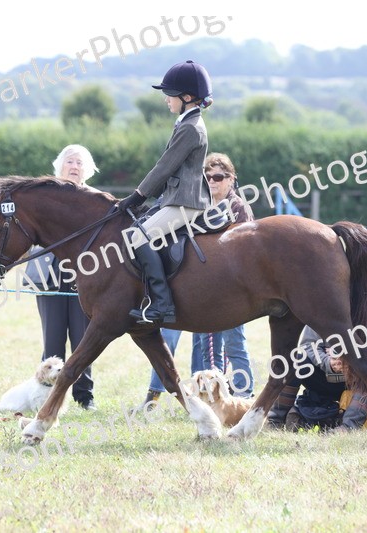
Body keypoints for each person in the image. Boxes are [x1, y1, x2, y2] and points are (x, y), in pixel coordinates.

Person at [116, 59, 213, 324]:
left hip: (186, 201)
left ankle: (162, 304)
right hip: (175, 198)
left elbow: (165, 167)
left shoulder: (191, 127)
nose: (166, 99)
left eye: (170, 94)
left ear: (187, 97)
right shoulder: (187, 122)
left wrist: (137, 195)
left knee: (138, 237)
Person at [23, 144, 99, 410]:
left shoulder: (95, 199)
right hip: (49, 275)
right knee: (53, 338)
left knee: (83, 340)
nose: (74, 166)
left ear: (87, 169)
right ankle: (46, 395)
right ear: (60, 166)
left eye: (79, 162)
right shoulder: (46, 195)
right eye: (70, 161)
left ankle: (84, 396)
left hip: (85, 276)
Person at [190, 152, 256, 397]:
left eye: (218, 176)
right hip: (203, 286)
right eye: (207, 177)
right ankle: (210, 396)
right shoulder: (199, 206)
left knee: (234, 344)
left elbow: (248, 250)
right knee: (205, 347)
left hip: (231, 289)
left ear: (231, 179)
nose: (212, 181)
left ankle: (243, 394)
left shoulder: (239, 207)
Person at [268, 326, 367, 432]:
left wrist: (348, 357)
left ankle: (348, 428)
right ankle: (275, 421)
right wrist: (328, 362)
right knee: (297, 362)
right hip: (322, 377)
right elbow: (308, 345)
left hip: (355, 381)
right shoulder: (319, 315)